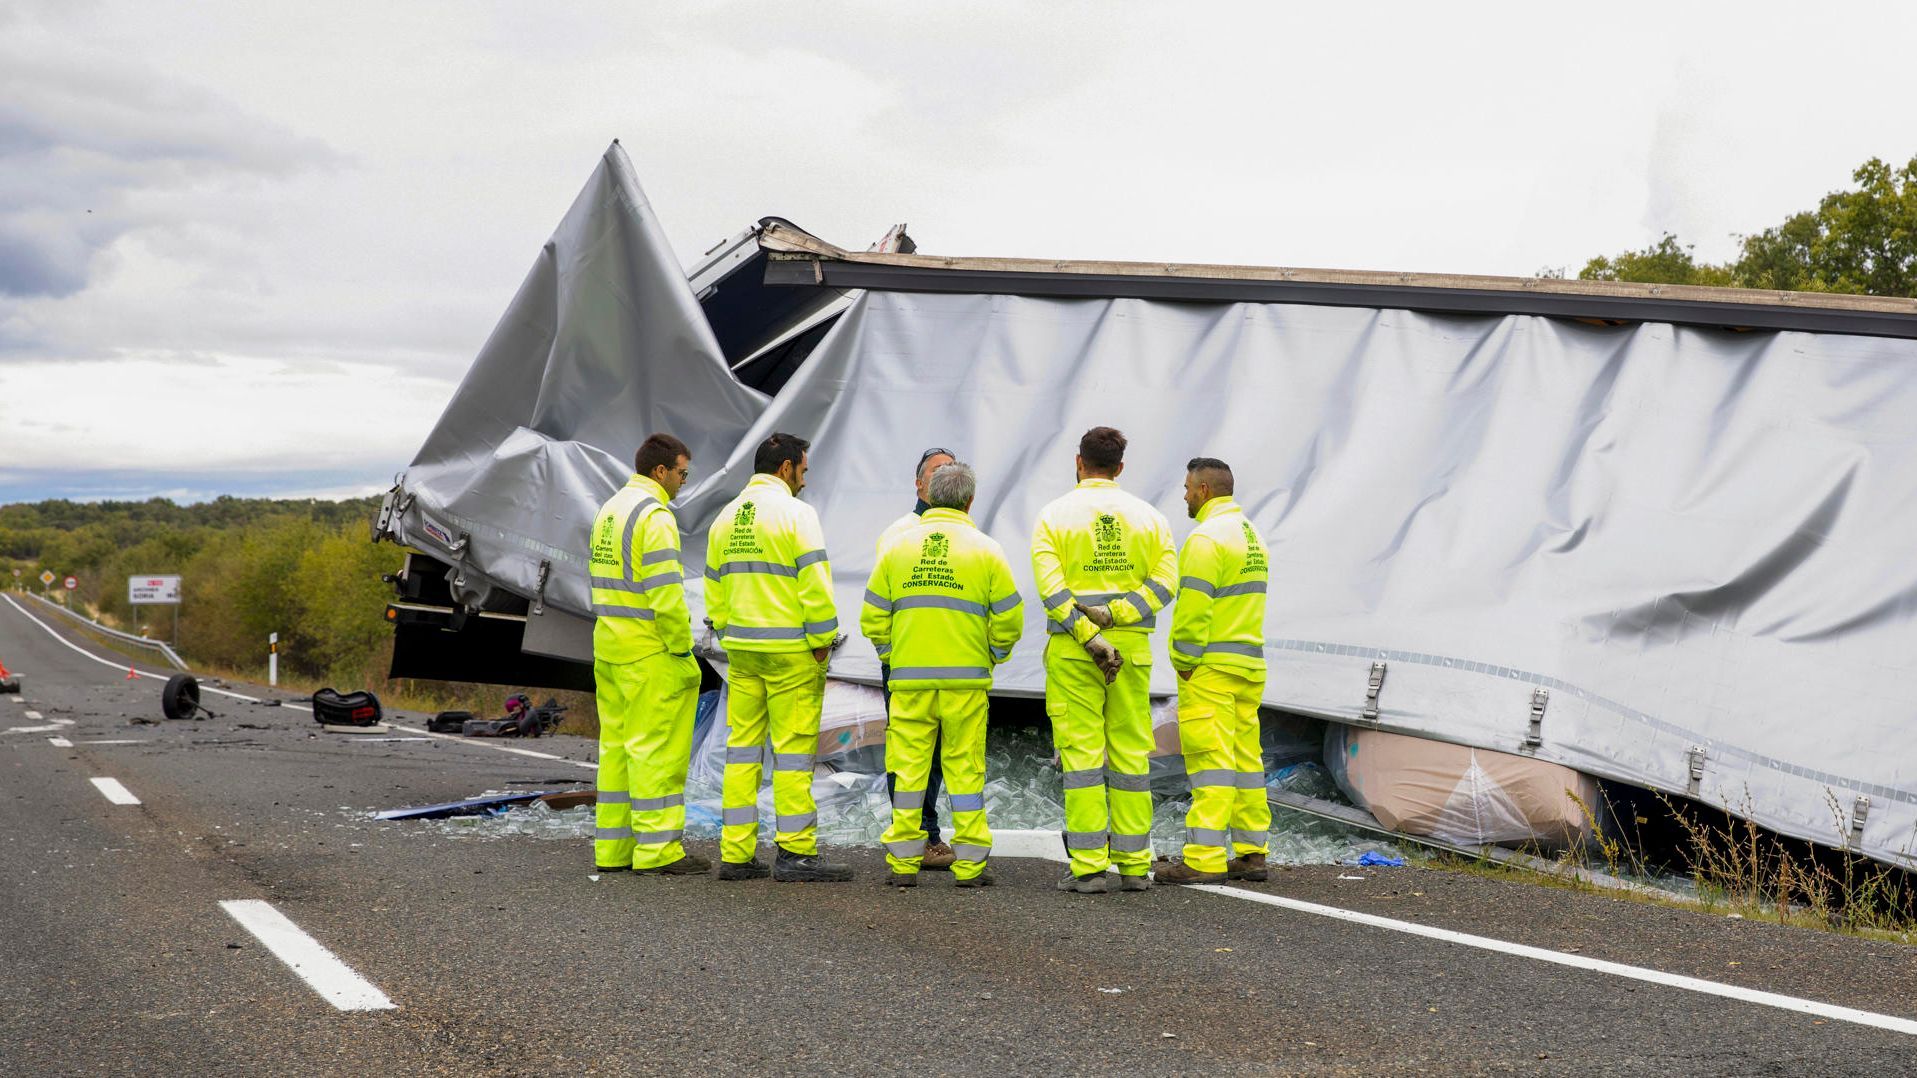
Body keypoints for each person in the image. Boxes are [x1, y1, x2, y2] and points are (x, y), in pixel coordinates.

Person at [1030, 427, 1178, 894]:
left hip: (1075, 652)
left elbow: (1052, 593)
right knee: (1131, 751)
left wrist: (1090, 634)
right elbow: (1164, 586)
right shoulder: (1150, 519)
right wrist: (1115, 615)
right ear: (1120, 468)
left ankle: (1089, 866)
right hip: (1132, 647)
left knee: (1081, 755)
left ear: (1079, 462)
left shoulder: (1054, 517)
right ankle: (1135, 866)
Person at [862, 462, 1023, 887]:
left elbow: (872, 615)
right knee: (965, 770)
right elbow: (1010, 618)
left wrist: (892, 655)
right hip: (965, 683)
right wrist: (992, 655)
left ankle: (902, 865)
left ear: (928, 495)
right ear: (970, 500)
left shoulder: (898, 547)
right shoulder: (986, 550)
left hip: (910, 682)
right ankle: (969, 866)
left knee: (909, 769)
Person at [705, 432, 853, 883]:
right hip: (791, 654)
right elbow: (814, 584)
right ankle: (795, 853)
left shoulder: (725, 519)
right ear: (786, 468)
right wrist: (824, 638)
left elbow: (715, 594)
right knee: (792, 755)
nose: (805, 480)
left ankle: (735, 854)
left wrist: (733, 636)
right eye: (803, 471)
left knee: (742, 752)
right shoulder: (796, 514)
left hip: (743, 656)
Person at [587, 432, 707, 875]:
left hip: (609, 648)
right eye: (682, 473)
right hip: (649, 653)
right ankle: (658, 851)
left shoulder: (609, 510)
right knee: (656, 752)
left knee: (616, 751)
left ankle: (613, 851)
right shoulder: (654, 516)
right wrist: (681, 650)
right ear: (661, 471)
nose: (683, 481)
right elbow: (666, 596)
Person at [1154, 458, 1273, 885]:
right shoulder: (1251, 535)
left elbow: (1193, 612)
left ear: (1203, 490)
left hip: (1211, 670)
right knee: (1246, 762)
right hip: (1248, 664)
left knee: (1212, 763)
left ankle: (1203, 857)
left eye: (1187, 487)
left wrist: (1183, 662)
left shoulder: (1206, 539)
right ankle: (1252, 852)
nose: (1184, 495)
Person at [876, 446, 958, 870]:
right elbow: (879, 608)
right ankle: (917, 834)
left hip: (951, 667)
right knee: (908, 754)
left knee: (942, 755)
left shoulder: (965, 534)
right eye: (936, 472)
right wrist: (890, 658)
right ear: (919, 483)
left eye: (951, 471)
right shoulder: (898, 534)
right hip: (908, 667)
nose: (944, 478)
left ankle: (923, 831)